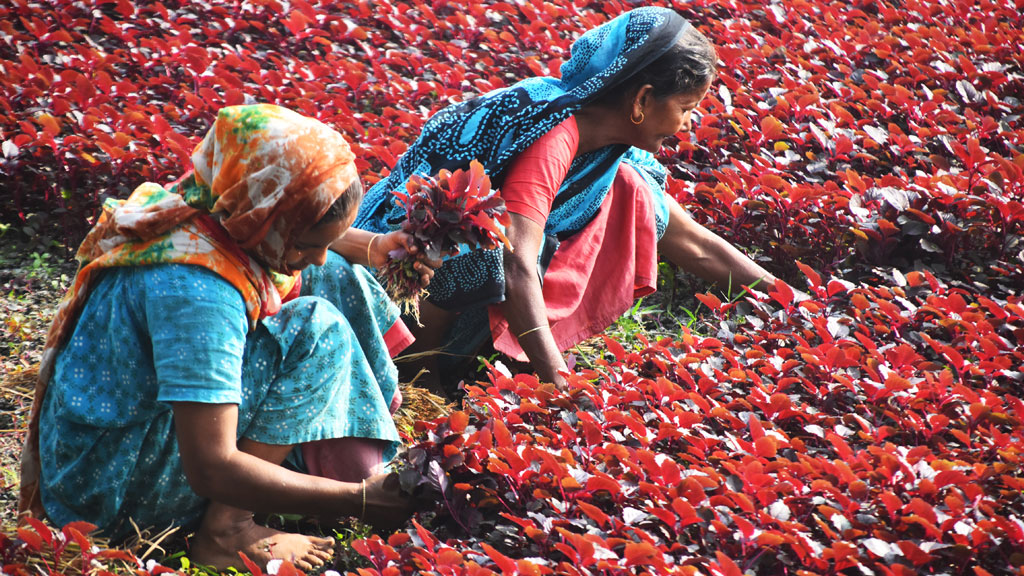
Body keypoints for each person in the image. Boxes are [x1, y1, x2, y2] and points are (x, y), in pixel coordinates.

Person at [18, 104, 434, 572]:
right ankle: (228, 530)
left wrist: (370, 246)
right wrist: (356, 500)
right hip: (108, 496)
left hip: (100, 449)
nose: (313, 258)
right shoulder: (198, 292)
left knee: (336, 273)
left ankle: (318, 448)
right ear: (265, 214)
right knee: (315, 331)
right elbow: (211, 466)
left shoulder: (199, 203)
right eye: (304, 243)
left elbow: (315, 247)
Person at [353, 7, 780, 394]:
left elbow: (694, 242)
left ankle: (467, 360)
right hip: (390, 295)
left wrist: (788, 300)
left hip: (441, 295)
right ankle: (422, 375)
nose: (687, 124)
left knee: (635, 190)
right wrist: (560, 385)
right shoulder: (554, 136)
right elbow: (515, 265)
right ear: (642, 99)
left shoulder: (608, 149)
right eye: (686, 107)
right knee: (484, 248)